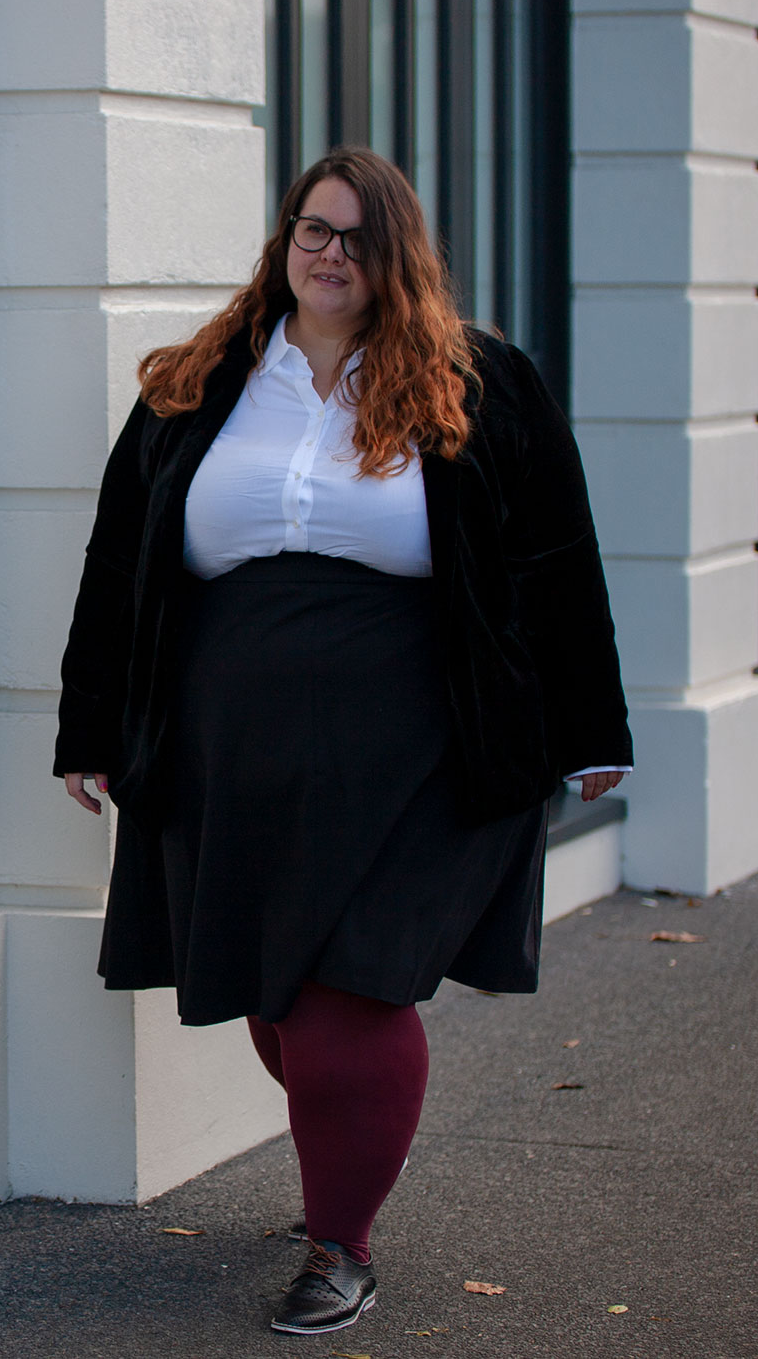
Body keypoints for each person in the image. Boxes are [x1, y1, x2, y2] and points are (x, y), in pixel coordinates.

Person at [52, 146, 632, 1337]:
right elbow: (120, 564)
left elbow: (555, 564)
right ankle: (343, 1162)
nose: (329, 254)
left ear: (396, 257)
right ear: (284, 240)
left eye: (356, 238)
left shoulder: (481, 384)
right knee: (277, 1000)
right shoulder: (198, 382)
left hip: (420, 741)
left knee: (342, 995)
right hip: (229, 741)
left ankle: (339, 1246)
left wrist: (589, 727)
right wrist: (90, 725)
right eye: (312, 230)